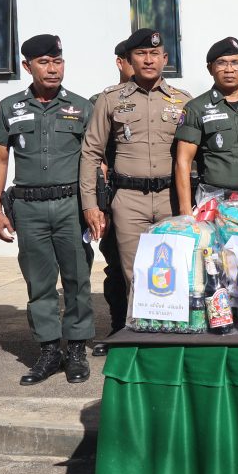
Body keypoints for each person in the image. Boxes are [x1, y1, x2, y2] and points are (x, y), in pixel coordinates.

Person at [0, 34, 95, 385]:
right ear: (27, 66)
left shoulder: (81, 107)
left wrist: (96, 207)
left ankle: (76, 350)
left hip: (71, 206)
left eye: (58, 61)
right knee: (39, 283)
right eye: (44, 62)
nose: (53, 69)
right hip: (28, 207)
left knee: (78, 279)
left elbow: (95, 161)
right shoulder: (9, 108)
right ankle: (49, 351)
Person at [80, 28, 193, 324]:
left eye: (154, 53)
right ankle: (138, 338)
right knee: (134, 277)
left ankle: (172, 337)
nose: (148, 60)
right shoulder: (110, 99)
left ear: (165, 58)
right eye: (141, 54)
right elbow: (91, 153)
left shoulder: (183, 100)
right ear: (129, 60)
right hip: (128, 201)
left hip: (170, 199)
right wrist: (90, 205)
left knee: (175, 273)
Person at [175, 37, 238, 211]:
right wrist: (186, 211)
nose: (229, 69)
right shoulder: (196, 108)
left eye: (235, 63)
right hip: (217, 204)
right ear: (210, 68)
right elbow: (183, 162)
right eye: (221, 63)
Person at [88, 39, 135, 356]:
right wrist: (97, 203)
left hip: (155, 194)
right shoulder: (102, 101)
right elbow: (93, 156)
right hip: (115, 193)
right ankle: (119, 327)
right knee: (116, 266)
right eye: (135, 58)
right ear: (121, 62)